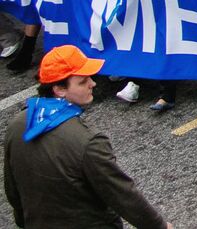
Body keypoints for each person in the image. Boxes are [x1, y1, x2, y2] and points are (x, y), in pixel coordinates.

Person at [3, 46, 171, 229]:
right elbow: (122, 194)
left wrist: (23, 220)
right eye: (83, 81)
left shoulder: (17, 125)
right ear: (59, 89)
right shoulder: (88, 142)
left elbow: (12, 188)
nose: (93, 84)